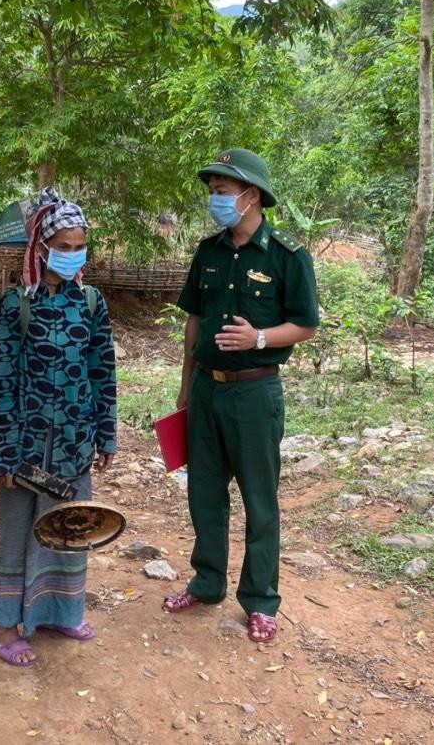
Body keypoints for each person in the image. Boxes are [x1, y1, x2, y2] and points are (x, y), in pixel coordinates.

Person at [163, 149, 319, 643]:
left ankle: (260, 599)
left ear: (251, 196)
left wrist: (258, 338)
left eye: (222, 192)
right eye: (212, 191)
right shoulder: (208, 252)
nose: (215, 199)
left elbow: (306, 325)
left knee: (259, 500)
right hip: (207, 391)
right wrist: (186, 386)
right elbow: (194, 320)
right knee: (205, 494)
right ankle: (206, 583)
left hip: (255, 393)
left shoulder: (287, 256)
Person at [0, 188, 118, 666]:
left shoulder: (91, 303)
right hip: (25, 447)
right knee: (18, 533)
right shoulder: (17, 305)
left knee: (70, 529)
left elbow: (103, 372)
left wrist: (106, 434)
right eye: (63, 246)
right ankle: (6, 629)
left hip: (74, 444)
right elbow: (1, 382)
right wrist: (4, 451)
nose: (72, 254)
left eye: (79, 246)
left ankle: (61, 613)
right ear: (41, 248)